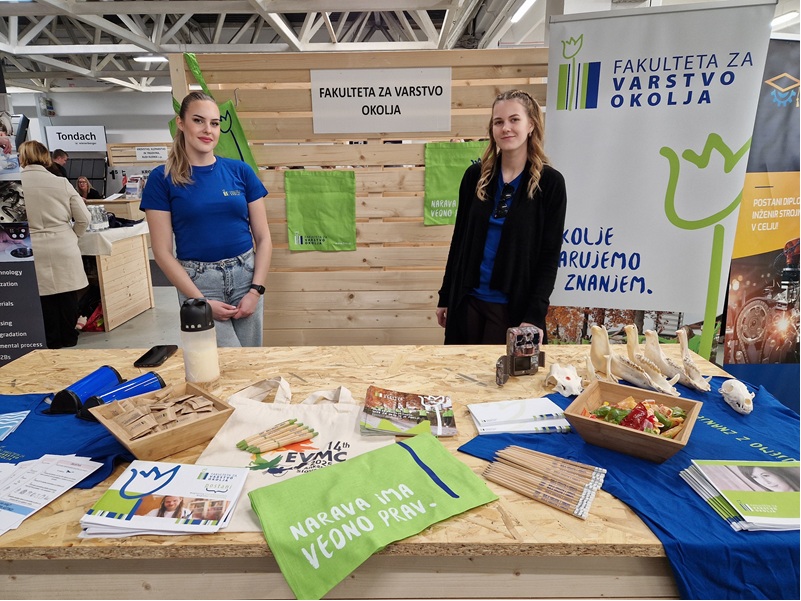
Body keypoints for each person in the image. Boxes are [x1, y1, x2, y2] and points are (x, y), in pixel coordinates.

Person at [140, 91, 272, 347]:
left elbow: (264, 238)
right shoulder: (162, 178)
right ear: (181, 123)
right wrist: (200, 302)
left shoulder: (240, 171)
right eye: (198, 120)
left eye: (214, 123)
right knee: (219, 361)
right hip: (198, 283)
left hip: (246, 278)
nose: (207, 130)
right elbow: (162, 252)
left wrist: (256, 291)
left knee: (249, 360)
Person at [436, 89, 567, 344]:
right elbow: (459, 240)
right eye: (498, 122)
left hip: (514, 309)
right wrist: (445, 295)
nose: (505, 128)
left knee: (503, 371)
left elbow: (549, 256)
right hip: (467, 301)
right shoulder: (475, 176)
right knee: (459, 368)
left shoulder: (550, 183)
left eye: (514, 119)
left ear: (531, 125)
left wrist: (534, 315)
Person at [19, 140, 91, 349]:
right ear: (46, 157)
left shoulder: (13, 184)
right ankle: (69, 339)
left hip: (30, 247)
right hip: (63, 244)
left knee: (44, 297)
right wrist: (73, 236)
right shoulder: (61, 183)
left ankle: (51, 342)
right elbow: (84, 218)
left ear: (22, 157)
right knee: (67, 294)